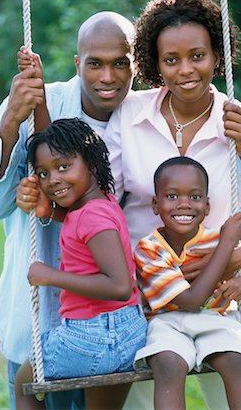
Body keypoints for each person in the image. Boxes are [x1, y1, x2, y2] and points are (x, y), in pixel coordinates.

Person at [0, 8, 241, 410]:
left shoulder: (146, 115)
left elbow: (198, 190)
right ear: (78, 63)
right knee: (33, 385)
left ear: (137, 65)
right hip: (45, 325)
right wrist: (12, 123)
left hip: (132, 317)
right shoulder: (35, 101)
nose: (108, 77)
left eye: (121, 64)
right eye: (94, 64)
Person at [103, 0, 241, 408]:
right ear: (155, 64)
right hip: (142, 299)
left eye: (197, 56)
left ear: (217, 57)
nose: (186, 69)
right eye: (171, 59)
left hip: (216, 298)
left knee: (234, 379)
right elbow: (101, 199)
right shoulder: (129, 114)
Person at [14, 118, 147, 410]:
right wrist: (49, 212)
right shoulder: (104, 204)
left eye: (64, 167)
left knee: (24, 384)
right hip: (129, 334)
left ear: (93, 164)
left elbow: (120, 285)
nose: (54, 180)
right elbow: (82, 226)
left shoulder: (90, 216)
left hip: (89, 336)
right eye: (43, 173)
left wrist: (51, 275)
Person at [134, 156, 241, 410]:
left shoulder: (217, 239)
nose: (184, 205)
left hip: (218, 320)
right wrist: (227, 244)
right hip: (166, 323)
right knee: (168, 363)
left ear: (207, 205)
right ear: (155, 204)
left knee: (237, 360)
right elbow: (191, 302)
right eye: (172, 196)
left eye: (194, 197)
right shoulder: (148, 249)